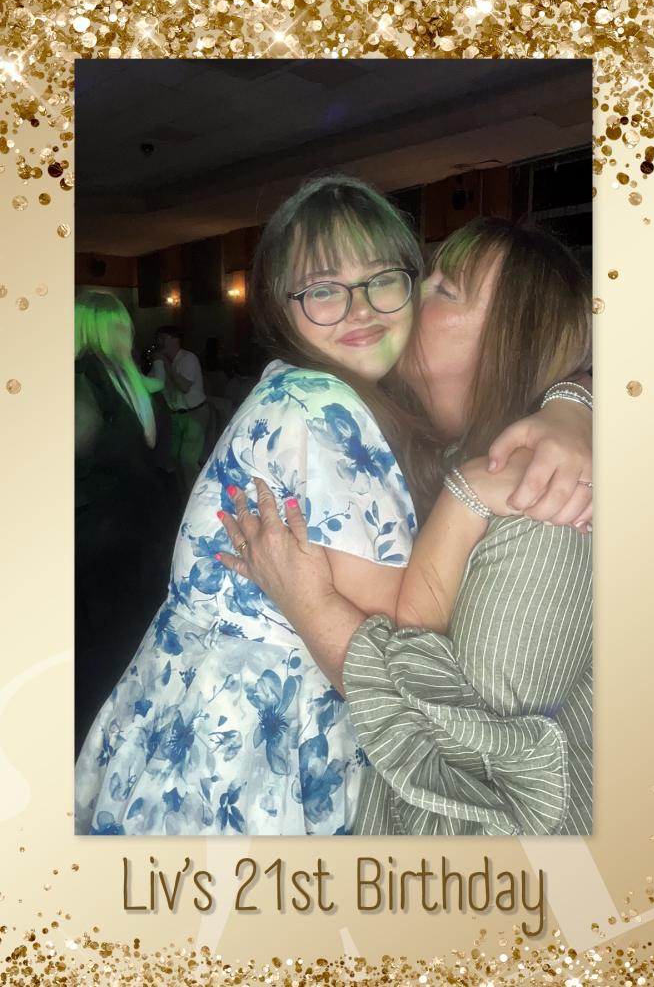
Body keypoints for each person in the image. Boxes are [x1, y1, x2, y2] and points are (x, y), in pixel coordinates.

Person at [75, 179, 591, 836]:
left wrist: (572, 399)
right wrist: (473, 491)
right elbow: (404, 633)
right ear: (281, 305)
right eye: (322, 289)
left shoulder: (532, 494)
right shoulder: (320, 406)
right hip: (245, 754)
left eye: (412, 282)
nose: (367, 307)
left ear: (507, 340)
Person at [216, 216, 593, 836]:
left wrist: (309, 604)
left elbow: (463, 760)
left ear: (509, 340)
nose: (410, 296)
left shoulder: (545, 513)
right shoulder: (435, 448)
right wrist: (575, 398)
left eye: (445, 288)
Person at [75, 290, 172, 754]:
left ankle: (97, 748)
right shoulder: (135, 384)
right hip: (147, 523)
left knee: (99, 648)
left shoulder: (81, 379)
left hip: (101, 531)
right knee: (136, 637)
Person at [150, 325, 208, 495]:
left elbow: (184, 386)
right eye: (158, 338)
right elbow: (153, 383)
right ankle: (184, 497)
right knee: (174, 457)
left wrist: (165, 364)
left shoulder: (188, 358)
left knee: (187, 459)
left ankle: (198, 497)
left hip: (195, 413)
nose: (159, 342)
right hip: (175, 415)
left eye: (163, 338)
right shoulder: (161, 362)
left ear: (175, 340)